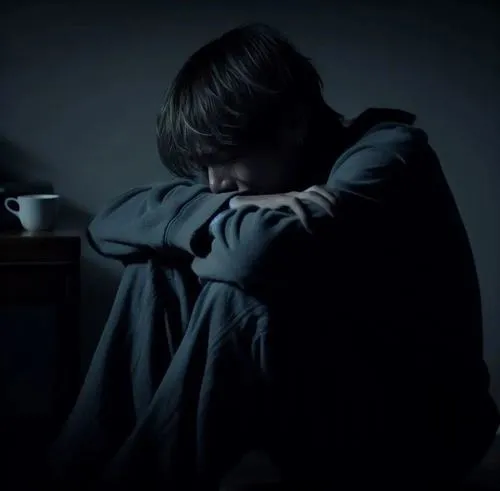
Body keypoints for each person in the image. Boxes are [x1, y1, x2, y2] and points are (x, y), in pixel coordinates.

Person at [48, 23, 499, 490]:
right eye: (205, 167)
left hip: (420, 433)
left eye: (225, 157)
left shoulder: (390, 155)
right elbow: (107, 224)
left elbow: (256, 255)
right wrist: (228, 208)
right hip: (333, 407)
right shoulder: (257, 186)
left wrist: (213, 218)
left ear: (293, 124)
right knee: (156, 271)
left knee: (243, 297)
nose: (214, 183)